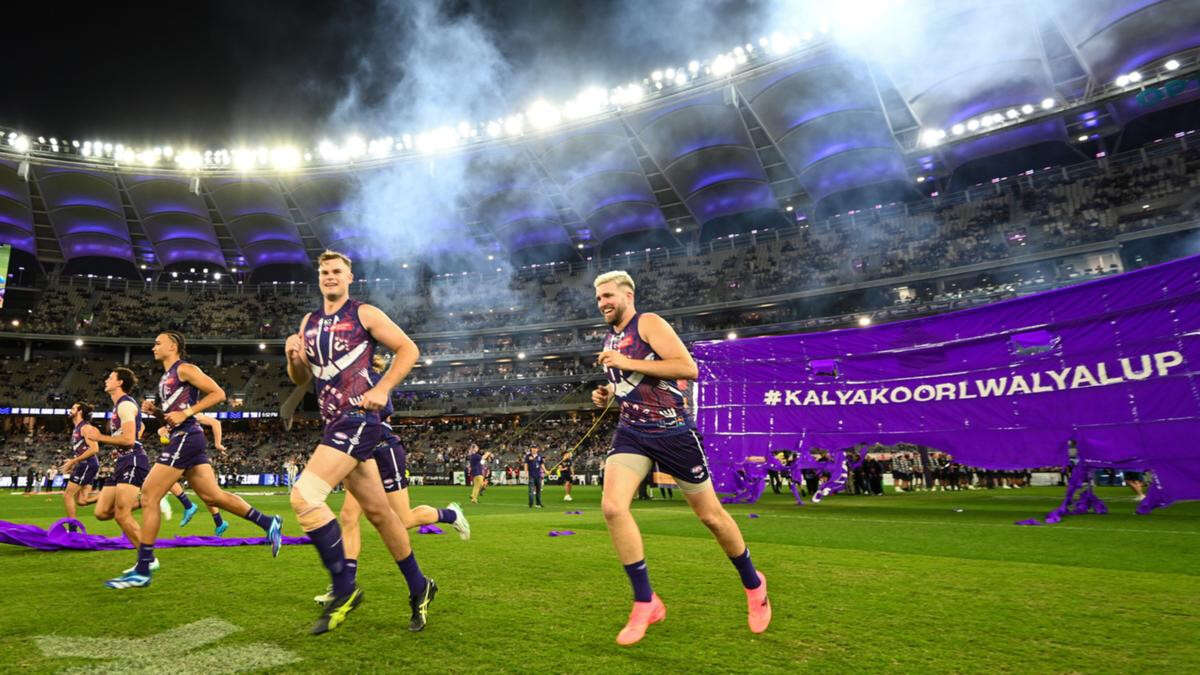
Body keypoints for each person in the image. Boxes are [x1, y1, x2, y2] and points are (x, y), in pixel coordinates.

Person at [592, 270, 770, 645]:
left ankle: (754, 585)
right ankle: (646, 601)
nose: (602, 303)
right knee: (612, 508)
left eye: (608, 295)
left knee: (712, 517)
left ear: (627, 295)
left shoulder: (649, 323)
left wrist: (626, 365)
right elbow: (629, 382)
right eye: (598, 298)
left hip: (674, 434)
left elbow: (687, 368)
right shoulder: (612, 337)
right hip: (632, 433)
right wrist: (607, 392)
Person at [284, 250, 434, 634]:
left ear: (349, 277)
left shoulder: (364, 313)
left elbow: (408, 348)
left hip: (357, 419)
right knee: (381, 515)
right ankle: (420, 586)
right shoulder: (309, 322)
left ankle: (343, 588)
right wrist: (294, 358)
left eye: (337, 271)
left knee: (304, 497)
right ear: (318, 278)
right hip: (333, 422)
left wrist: (383, 388)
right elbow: (301, 380)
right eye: (324, 272)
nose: (330, 276)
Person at [105, 332, 284, 590]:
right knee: (213, 497)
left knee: (149, 496)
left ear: (172, 346)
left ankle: (143, 568)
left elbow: (218, 393)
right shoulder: (165, 378)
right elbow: (173, 416)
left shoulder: (185, 369)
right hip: (187, 437)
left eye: (157, 342)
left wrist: (188, 412)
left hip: (186, 437)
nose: (153, 346)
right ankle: (269, 522)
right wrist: (156, 412)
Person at [84, 368, 150, 584]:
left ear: (120, 382)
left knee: (122, 515)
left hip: (132, 459)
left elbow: (130, 439)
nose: (105, 379)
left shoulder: (125, 405)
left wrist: (99, 437)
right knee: (102, 512)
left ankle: (147, 562)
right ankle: (146, 500)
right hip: (121, 462)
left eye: (110, 377)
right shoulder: (119, 406)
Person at [59, 402, 100, 531]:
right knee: (82, 501)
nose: (70, 410)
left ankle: (72, 530)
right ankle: (109, 495)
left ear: (80, 411)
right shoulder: (76, 428)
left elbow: (94, 448)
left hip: (88, 464)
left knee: (67, 495)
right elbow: (83, 449)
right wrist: (75, 462)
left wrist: (73, 461)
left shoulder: (85, 428)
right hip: (85, 464)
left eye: (73, 408)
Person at [525, 444, 545, 508]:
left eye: (535, 448)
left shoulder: (539, 456)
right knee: (531, 490)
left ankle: (538, 503)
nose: (534, 449)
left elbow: (542, 464)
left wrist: (546, 470)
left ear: (537, 449)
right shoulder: (528, 456)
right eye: (533, 448)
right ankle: (530, 503)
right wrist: (526, 473)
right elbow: (526, 465)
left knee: (538, 490)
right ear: (531, 449)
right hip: (531, 475)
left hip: (538, 475)